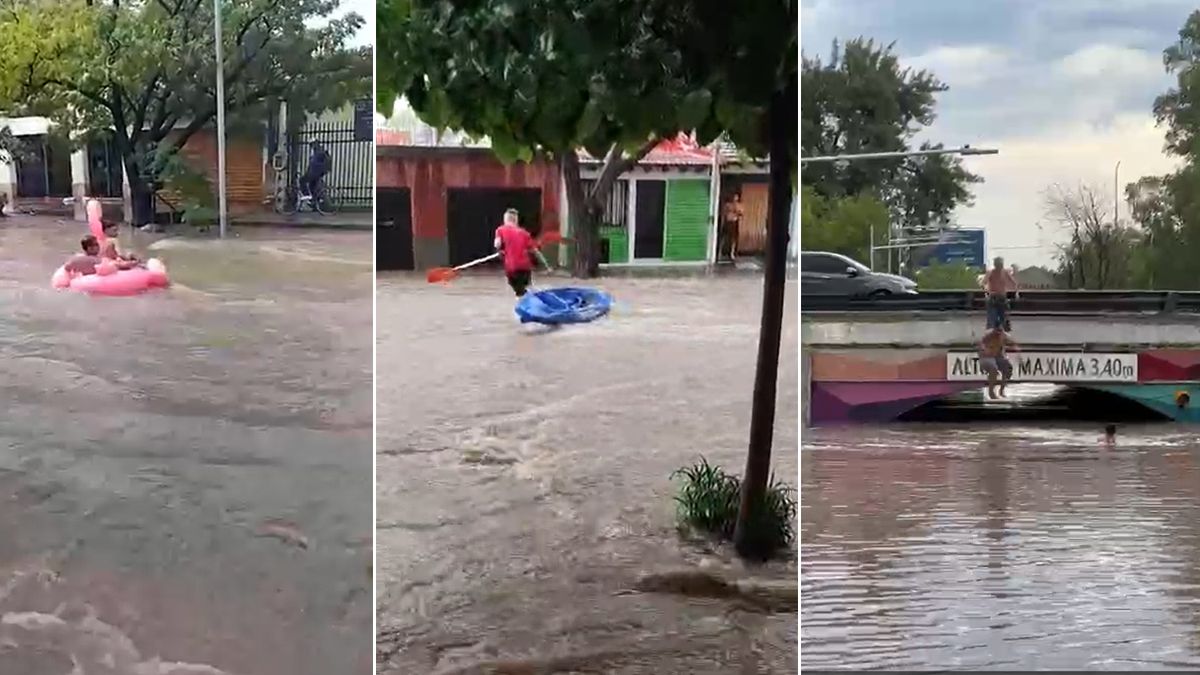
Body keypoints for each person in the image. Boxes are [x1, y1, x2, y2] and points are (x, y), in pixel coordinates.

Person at [493, 208, 550, 297]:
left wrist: (500, 251)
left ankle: (527, 300)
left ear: (505, 219)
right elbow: (535, 251)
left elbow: (497, 244)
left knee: (519, 292)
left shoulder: (500, 230)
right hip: (525, 267)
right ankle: (532, 299)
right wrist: (546, 265)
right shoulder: (524, 233)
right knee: (526, 288)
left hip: (512, 267)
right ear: (516, 220)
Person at [978, 327, 1019, 399]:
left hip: (998, 357)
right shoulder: (988, 336)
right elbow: (981, 346)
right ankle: (991, 392)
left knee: (1007, 368)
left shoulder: (1004, 336)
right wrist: (985, 350)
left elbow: (1013, 344)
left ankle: (1002, 390)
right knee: (993, 369)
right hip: (987, 356)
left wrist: (1013, 348)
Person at [981, 256, 1019, 331]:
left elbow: (1014, 283)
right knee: (994, 317)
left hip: (1000, 297)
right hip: (994, 297)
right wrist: (986, 291)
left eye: (1000, 264)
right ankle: (995, 328)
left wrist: (1016, 292)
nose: (1000, 266)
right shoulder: (992, 272)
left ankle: (1001, 329)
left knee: (1002, 317)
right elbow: (983, 283)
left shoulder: (1004, 272)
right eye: (998, 264)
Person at [721, 192, 744, 262]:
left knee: (733, 239)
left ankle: (732, 253)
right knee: (724, 237)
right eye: (734, 197)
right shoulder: (728, 205)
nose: (735, 198)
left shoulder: (739, 205)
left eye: (736, 197)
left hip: (734, 222)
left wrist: (738, 213)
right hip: (728, 222)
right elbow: (724, 213)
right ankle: (720, 252)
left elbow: (741, 214)